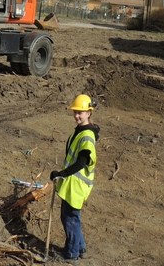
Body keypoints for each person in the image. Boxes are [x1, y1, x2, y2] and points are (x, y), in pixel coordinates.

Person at [50, 94, 100, 263]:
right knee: (72, 218)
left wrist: (61, 174)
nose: (77, 115)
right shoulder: (82, 130)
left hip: (76, 186)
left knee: (70, 219)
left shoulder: (87, 136)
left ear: (89, 113)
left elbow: (81, 162)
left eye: (81, 112)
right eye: (75, 112)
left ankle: (72, 254)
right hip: (73, 184)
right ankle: (80, 247)